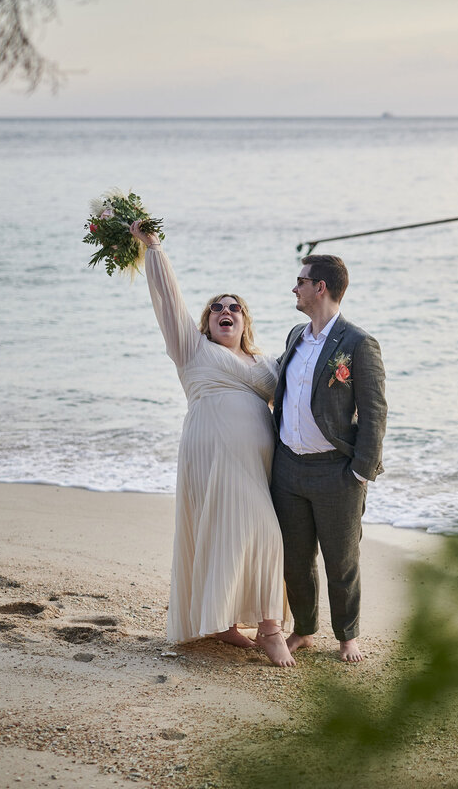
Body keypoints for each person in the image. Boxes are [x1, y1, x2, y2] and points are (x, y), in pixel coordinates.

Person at [129, 220, 294, 668]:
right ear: (206, 322)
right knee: (260, 531)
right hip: (210, 456)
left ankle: (224, 623)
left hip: (256, 465)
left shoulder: (266, 365)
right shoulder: (193, 350)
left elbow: (302, 395)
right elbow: (168, 300)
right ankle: (270, 629)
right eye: (217, 308)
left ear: (244, 320)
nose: (226, 311)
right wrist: (153, 246)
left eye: (234, 307)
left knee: (236, 534)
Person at [271, 254, 387, 663]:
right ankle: (303, 630)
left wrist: (360, 472)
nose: (294, 287)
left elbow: (374, 412)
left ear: (320, 287)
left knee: (342, 560)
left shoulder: (357, 343)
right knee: (295, 558)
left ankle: (347, 636)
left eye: (300, 281)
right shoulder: (295, 336)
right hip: (288, 468)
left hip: (336, 471)